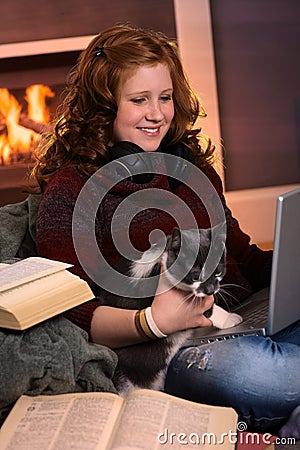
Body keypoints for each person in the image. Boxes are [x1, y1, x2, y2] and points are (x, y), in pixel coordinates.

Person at [31, 24, 300, 436]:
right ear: (104, 108)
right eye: (139, 100)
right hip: (171, 352)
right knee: (249, 370)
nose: (157, 114)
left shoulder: (193, 168)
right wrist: (154, 322)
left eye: (165, 97)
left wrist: (289, 268)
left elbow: (240, 257)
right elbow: (70, 313)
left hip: (241, 316)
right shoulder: (72, 192)